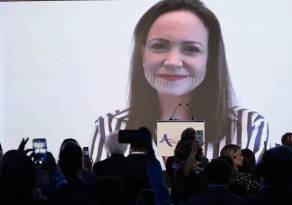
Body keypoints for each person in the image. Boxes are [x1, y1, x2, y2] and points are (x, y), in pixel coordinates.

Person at [89, 0, 269, 164]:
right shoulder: (110, 127)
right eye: (159, 46)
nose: (173, 61)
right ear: (142, 53)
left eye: (191, 49)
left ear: (210, 60)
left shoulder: (248, 127)